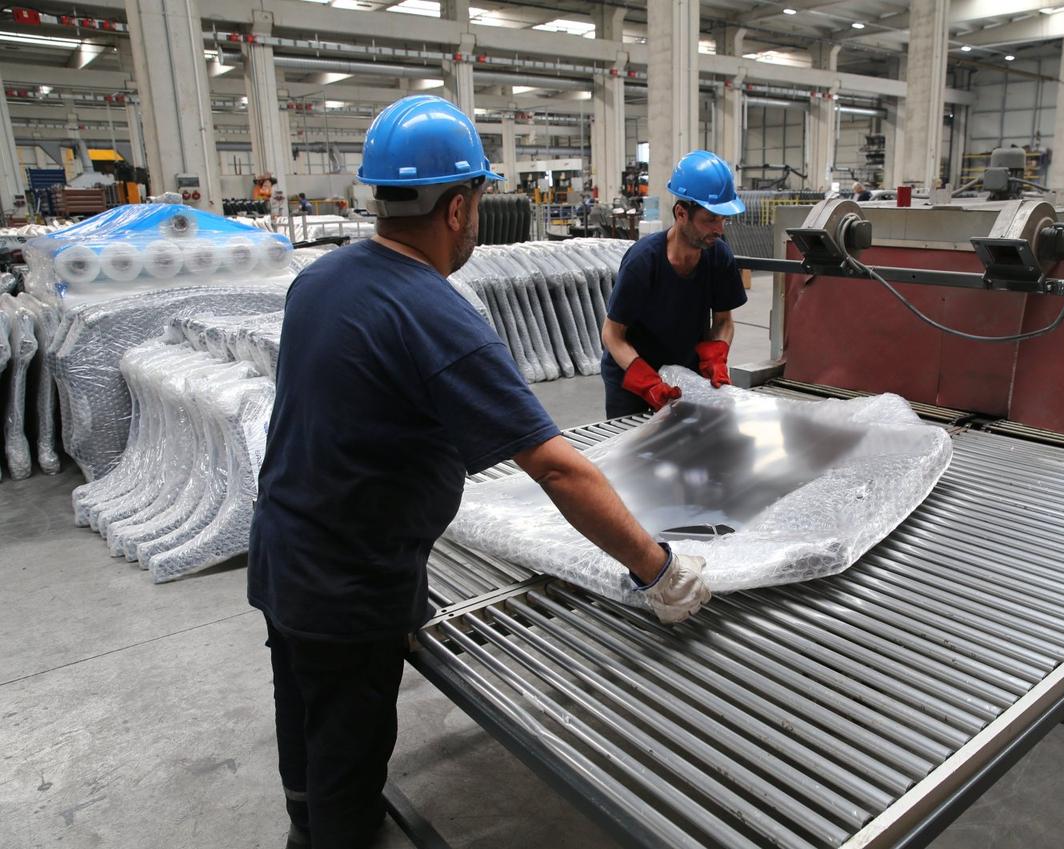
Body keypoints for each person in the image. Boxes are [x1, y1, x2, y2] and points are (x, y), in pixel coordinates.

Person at [247, 95, 711, 849]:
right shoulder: (437, 315)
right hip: (351, 583)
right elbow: (557, 469)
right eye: (479, 197)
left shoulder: (319, 279)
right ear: (459, 207)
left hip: (281, 550)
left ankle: (306, 821)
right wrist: (658, 569)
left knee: (301, 710)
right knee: (348, 752)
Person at [600, 149, 747, 418]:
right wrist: (648, 383)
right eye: (710, 219)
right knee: (634, 442)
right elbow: (612, 334)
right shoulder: (643, 262)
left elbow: (724, 321)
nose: (719, 229)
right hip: (634, 375)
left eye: (723, 219)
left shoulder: (719, 256)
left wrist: (716, 356)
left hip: (685, 371)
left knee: (691, 438)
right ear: (681, 213)